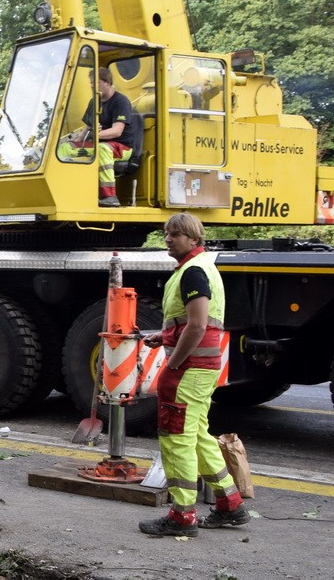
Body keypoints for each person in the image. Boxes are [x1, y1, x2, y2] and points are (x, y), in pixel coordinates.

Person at [139, 213, 250, 537]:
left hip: (188, 370)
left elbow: (199, 325)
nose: (168, 239)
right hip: (201, 369)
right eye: (166, 233)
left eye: (175, 234)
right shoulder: (197, 270)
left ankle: (181, 516)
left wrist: (173, 362)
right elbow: (192, 324)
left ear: (193, 239)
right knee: (198, 436)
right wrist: (167, 337)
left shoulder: (193, 272)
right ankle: (230, 504)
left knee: (177, 440)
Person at [81, 67, 136, 207]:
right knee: (65, 149)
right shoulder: (94, 102)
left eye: (96, 82)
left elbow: (117, 131)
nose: (92, 85)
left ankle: (110, 196)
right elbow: (87, 127)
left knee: (102, 149)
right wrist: (76, 141)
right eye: (91, 82)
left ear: (107, 82)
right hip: (98, 142)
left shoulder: (121, 101)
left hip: (122, 147)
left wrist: (96, 135)